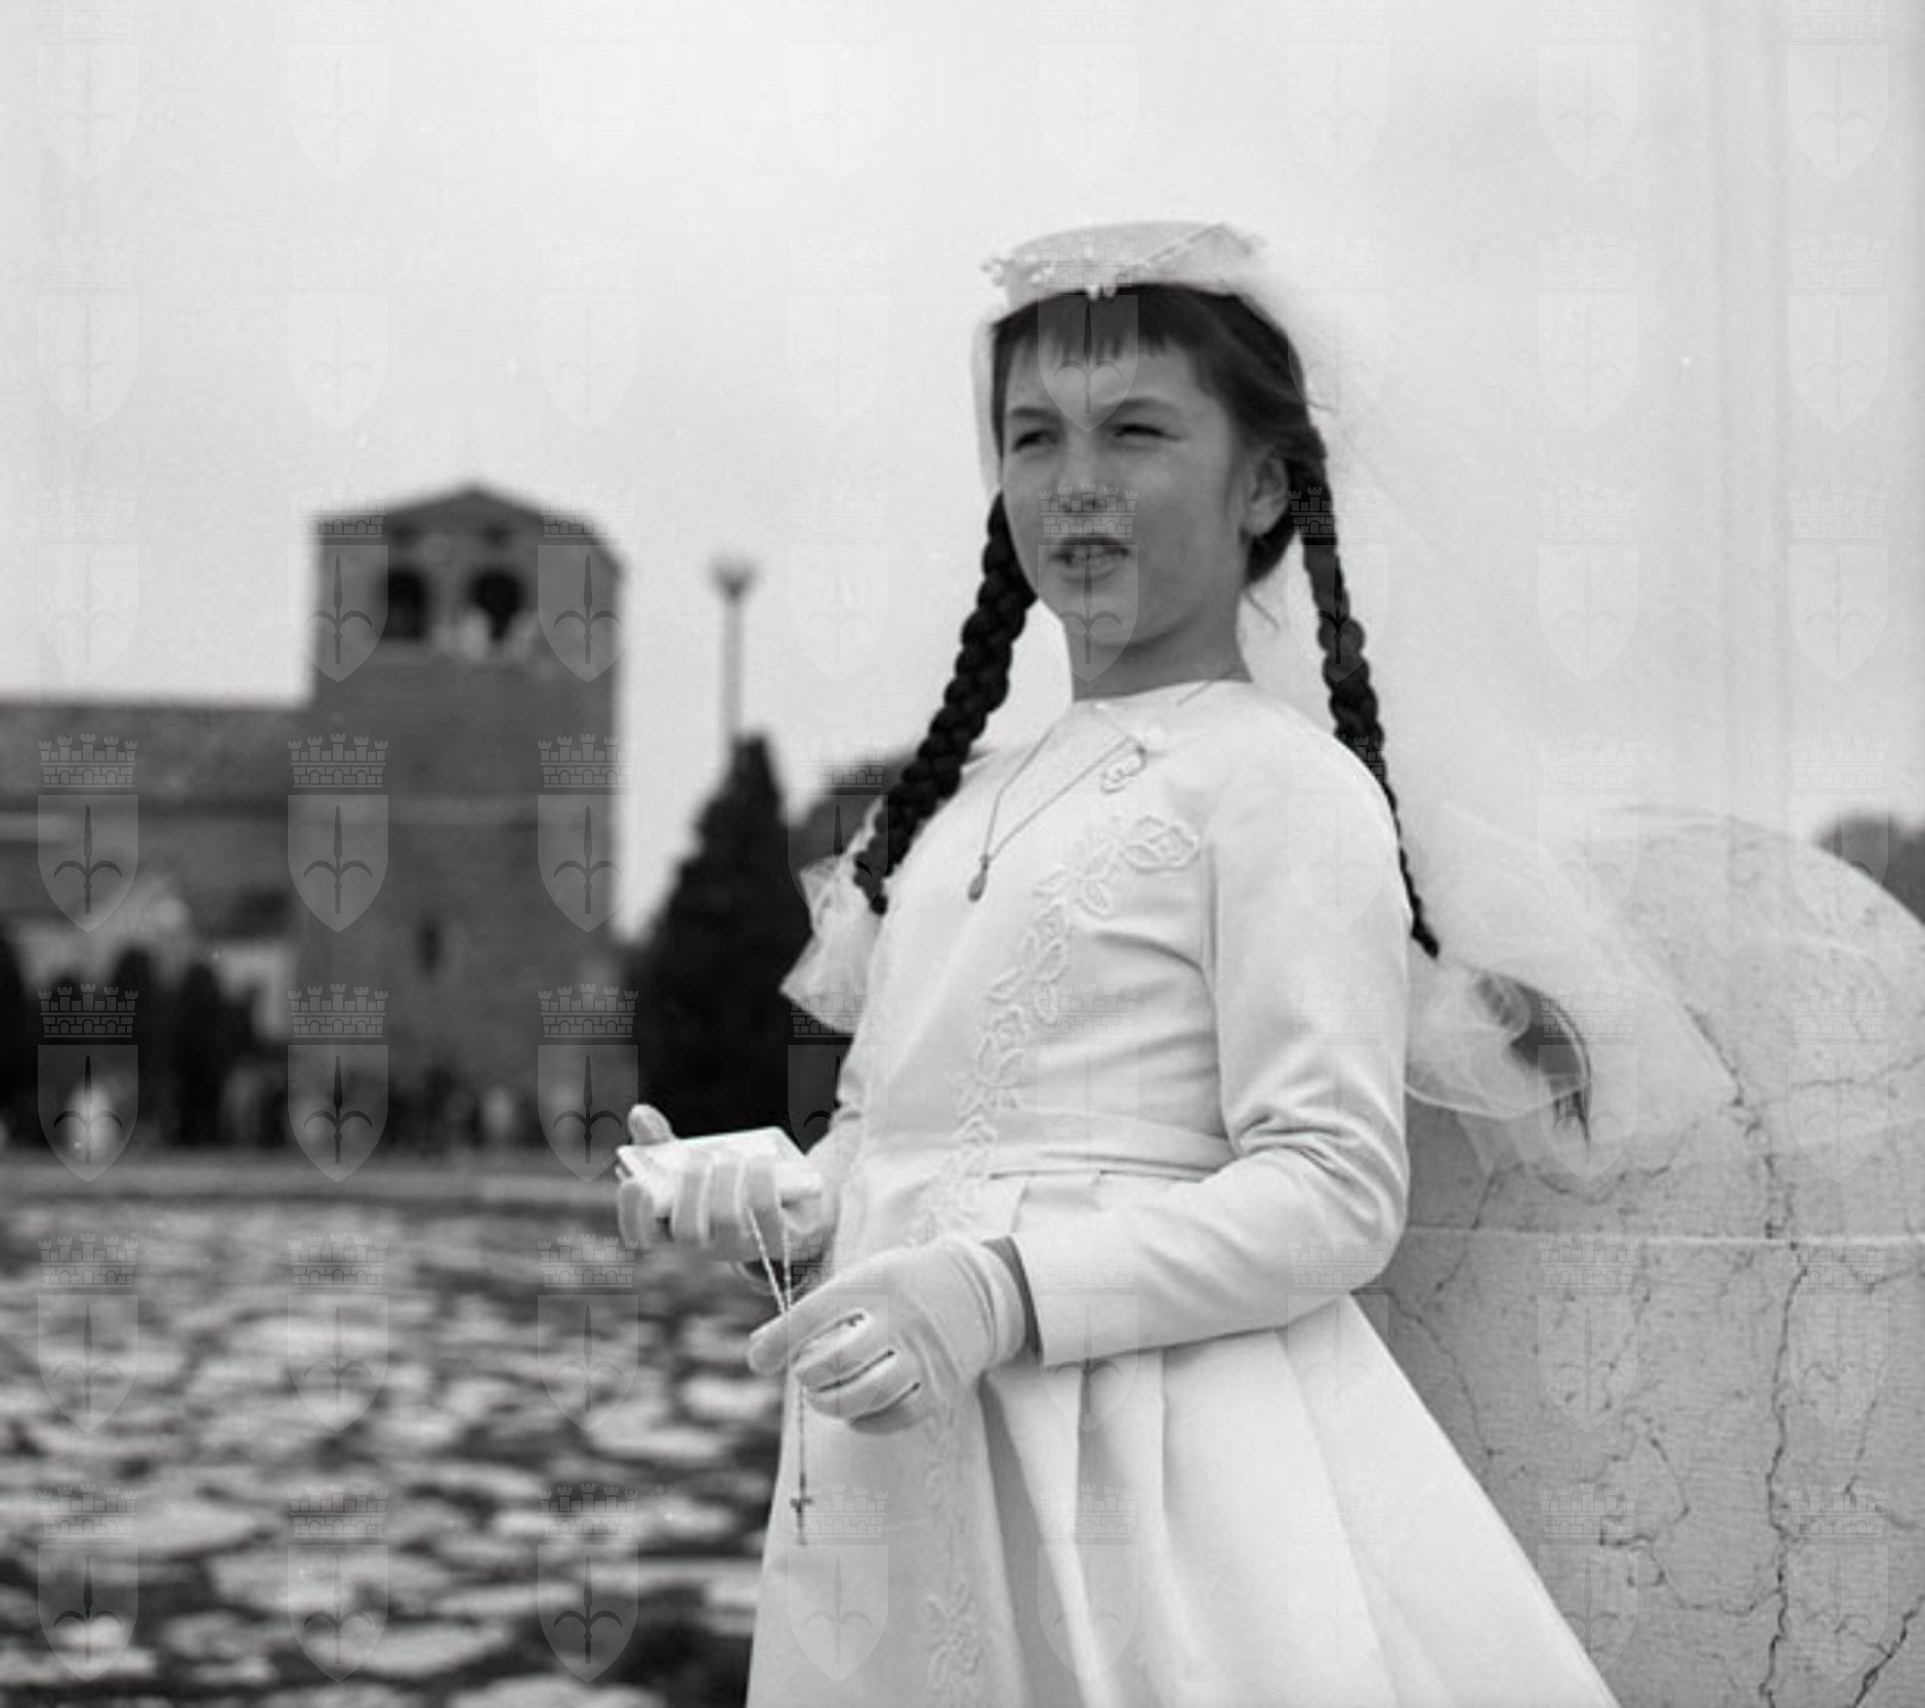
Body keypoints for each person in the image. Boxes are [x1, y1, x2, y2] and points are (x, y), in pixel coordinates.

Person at [616, 220, 1705, 1704]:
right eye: (1033, 436)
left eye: (1134, 431)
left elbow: (1331, 1185)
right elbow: (901, 1126)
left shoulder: (1279, 787)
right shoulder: (949, 811)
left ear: (1260, 483)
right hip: (911, 1471)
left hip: (1145, 1474)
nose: (1075, 482)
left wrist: (998, 1291)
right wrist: (786, 1197)